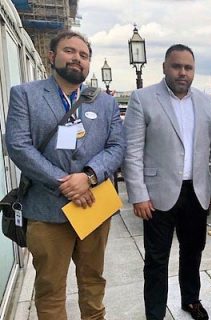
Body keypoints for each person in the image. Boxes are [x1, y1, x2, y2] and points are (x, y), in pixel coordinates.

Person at [5, 31, 126, 320]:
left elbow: (117, 146)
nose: (77, 59)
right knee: (49, 287)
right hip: (47, 210)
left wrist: (89, 176)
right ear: (52, 56)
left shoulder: (105, 103)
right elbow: (18, 146)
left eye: (84, 55)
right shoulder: (25, 94)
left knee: (93, 280)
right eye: (70, 51)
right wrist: (65, 182)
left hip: (94, 207)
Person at [122, 44, 211, 320]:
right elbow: (132, 150)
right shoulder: (143, 99)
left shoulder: (206, 102)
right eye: (177, 66)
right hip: (157, 194)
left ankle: (190, 299)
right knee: (156, 259)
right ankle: (154, 313)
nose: (182, 73)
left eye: (188, 68)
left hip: (197, 191)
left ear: (194, 71)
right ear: (165, 67)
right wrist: (138, 194)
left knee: (193, 252)